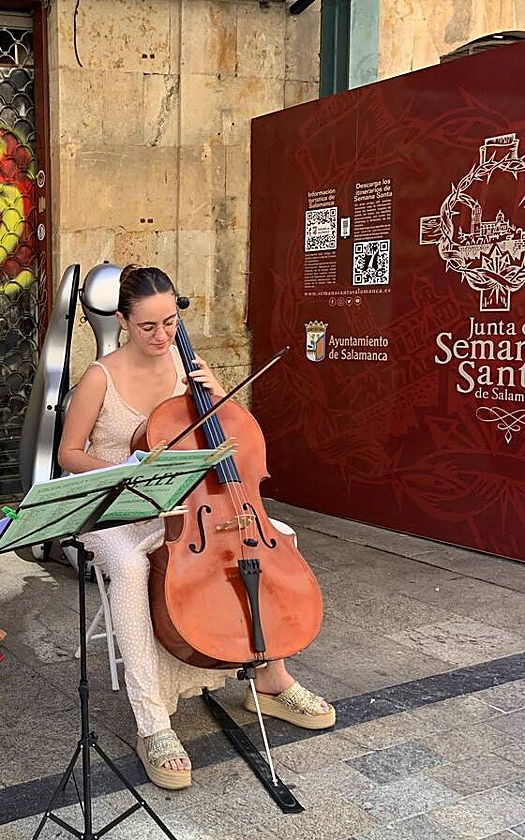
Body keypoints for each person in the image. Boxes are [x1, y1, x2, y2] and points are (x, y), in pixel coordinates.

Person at [57, 265, 334, 791]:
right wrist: (128, 470)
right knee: (127, 563)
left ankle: (270, 679)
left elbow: (230, 443)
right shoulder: (101, 377)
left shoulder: (190, 368)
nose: (163, 337)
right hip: (118, 503)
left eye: (170, 322)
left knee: (274, 537)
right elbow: (70, 454)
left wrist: (220, 395)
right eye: (148, 327)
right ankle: (153, 722)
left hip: (190, 506)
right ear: (122, 321)